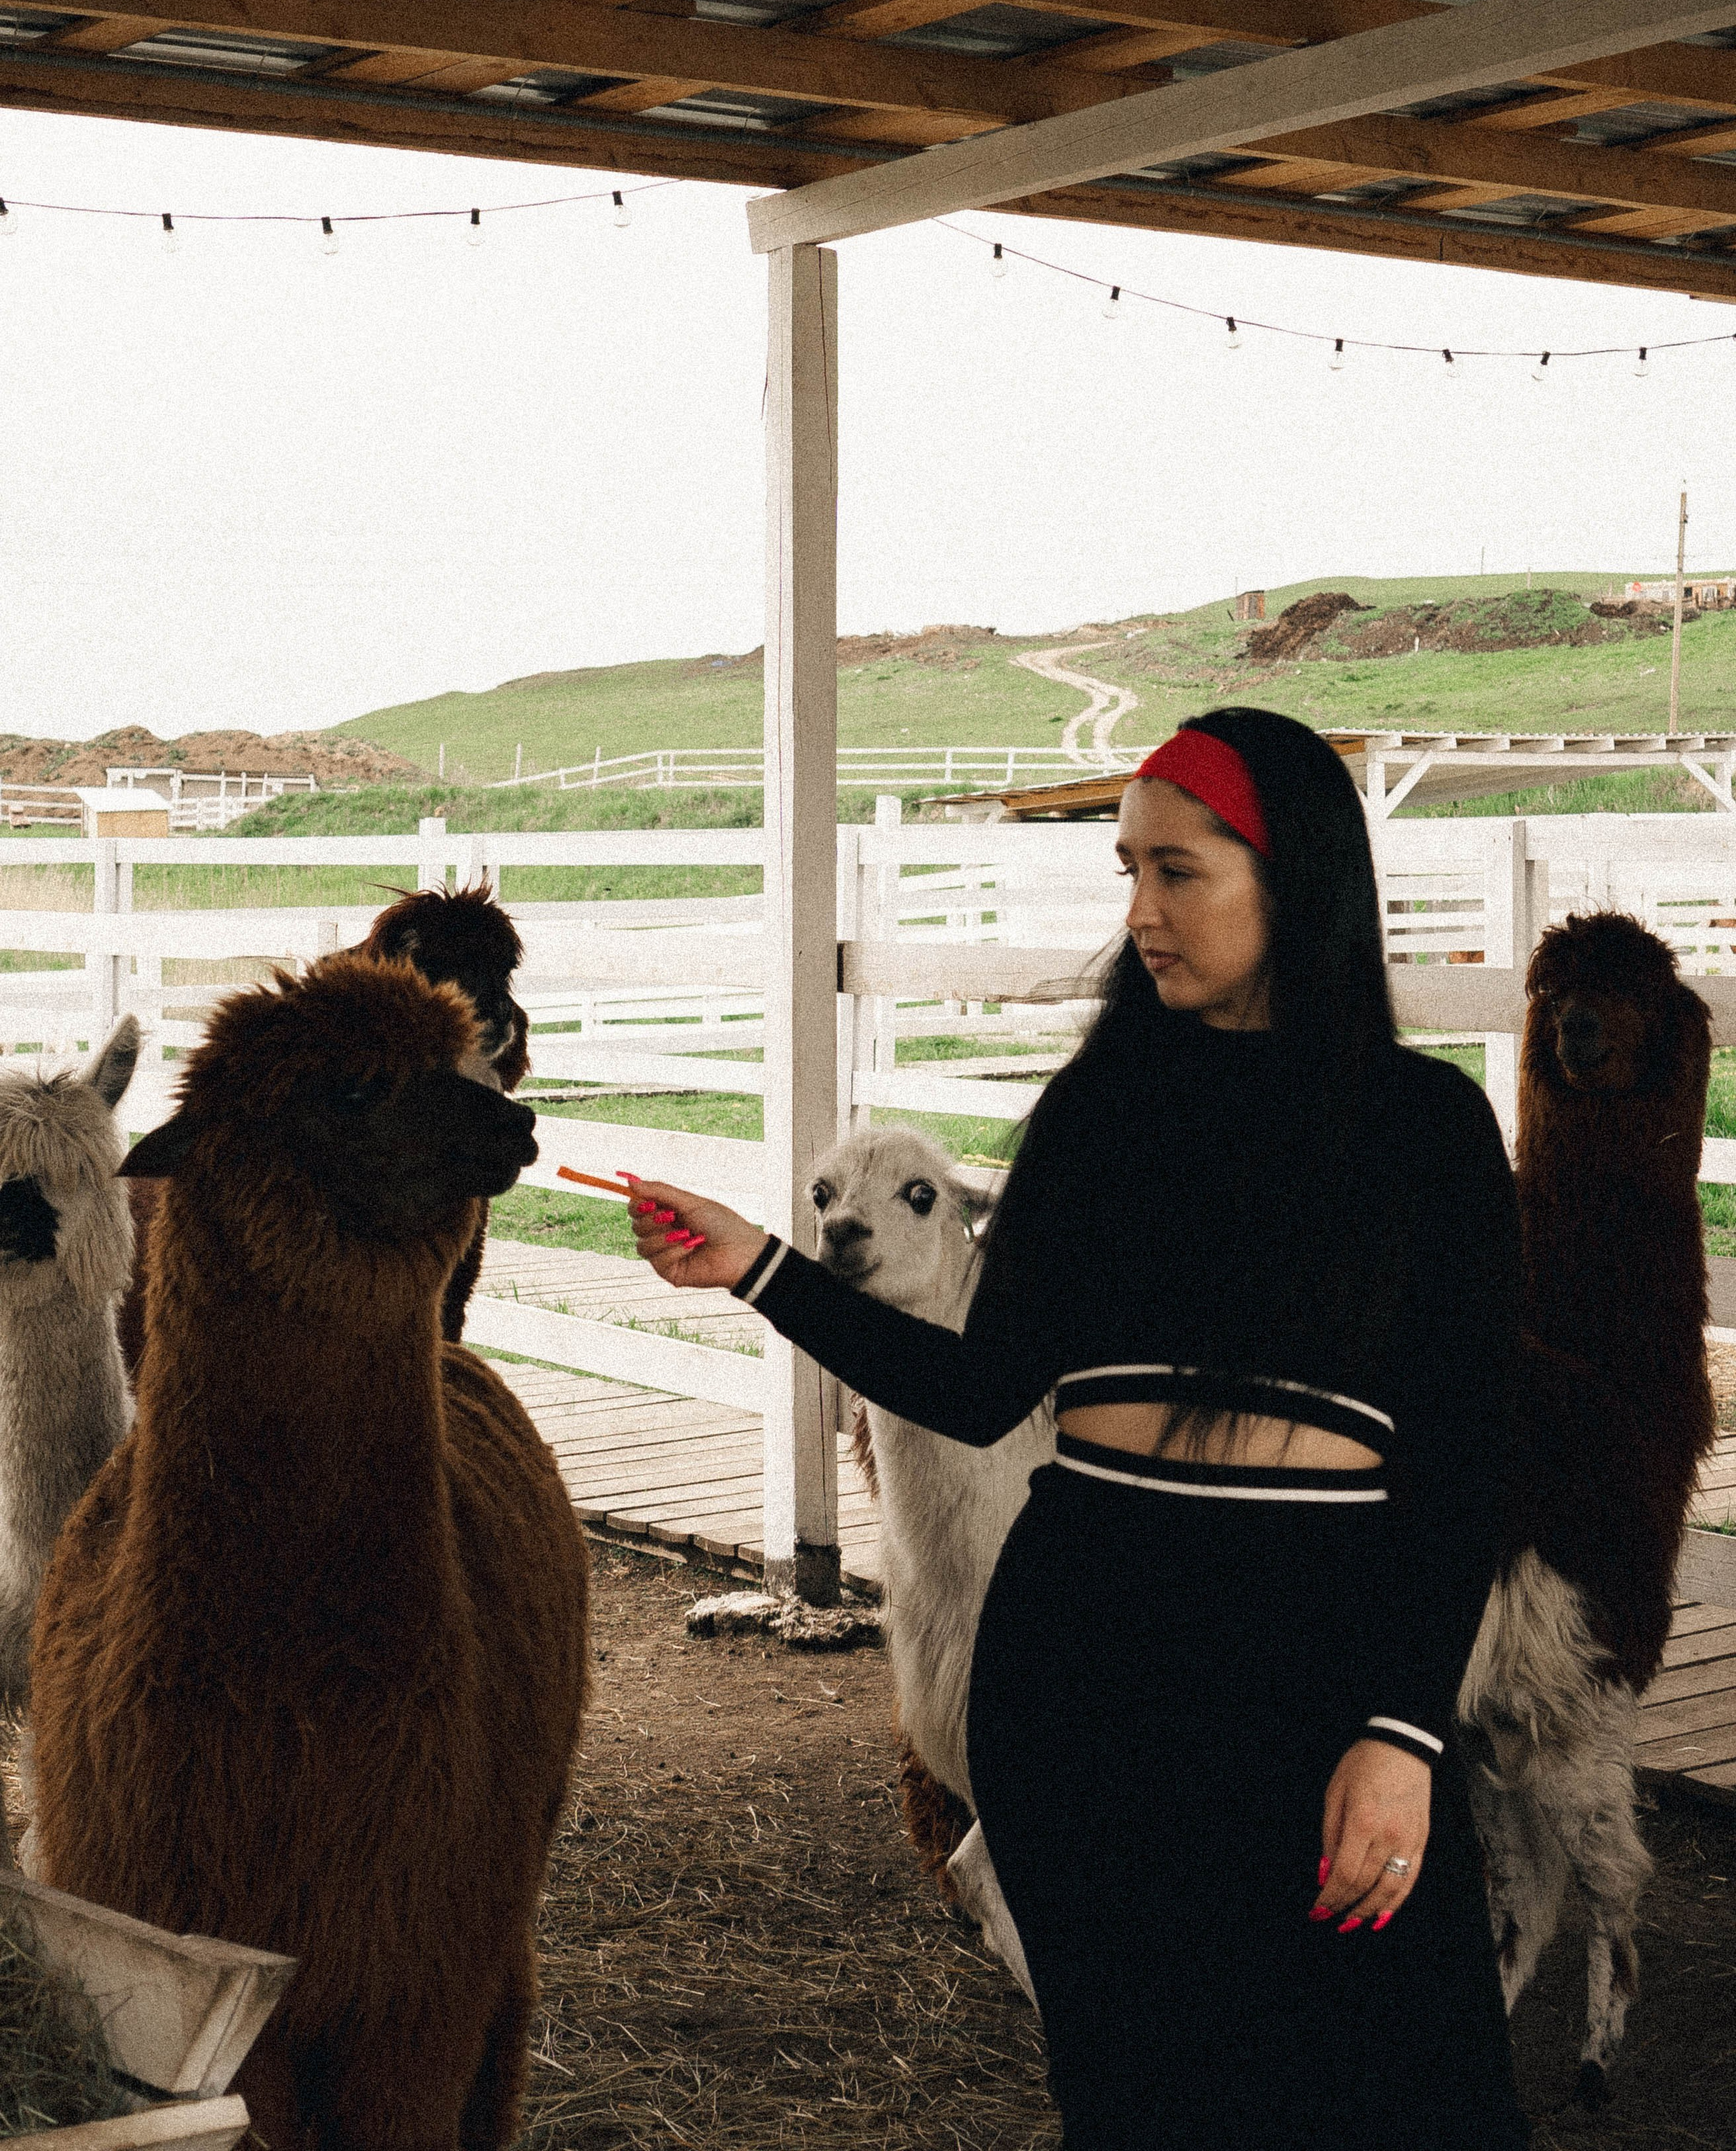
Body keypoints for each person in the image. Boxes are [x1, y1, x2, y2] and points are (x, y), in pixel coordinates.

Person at [624, 708, 1529, 2151]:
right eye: (1127, 872)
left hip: (1313, 1678)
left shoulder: (1419, 1131)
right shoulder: (1099, 1117)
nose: (1140, 914)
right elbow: (980, 1389)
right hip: (1087, 1681)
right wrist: (758, 1266)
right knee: (1142, 2100)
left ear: (1289, 876)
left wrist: (1400, 1729)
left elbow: (1467, 1453)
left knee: (1404, 2096)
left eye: (1177, 873)